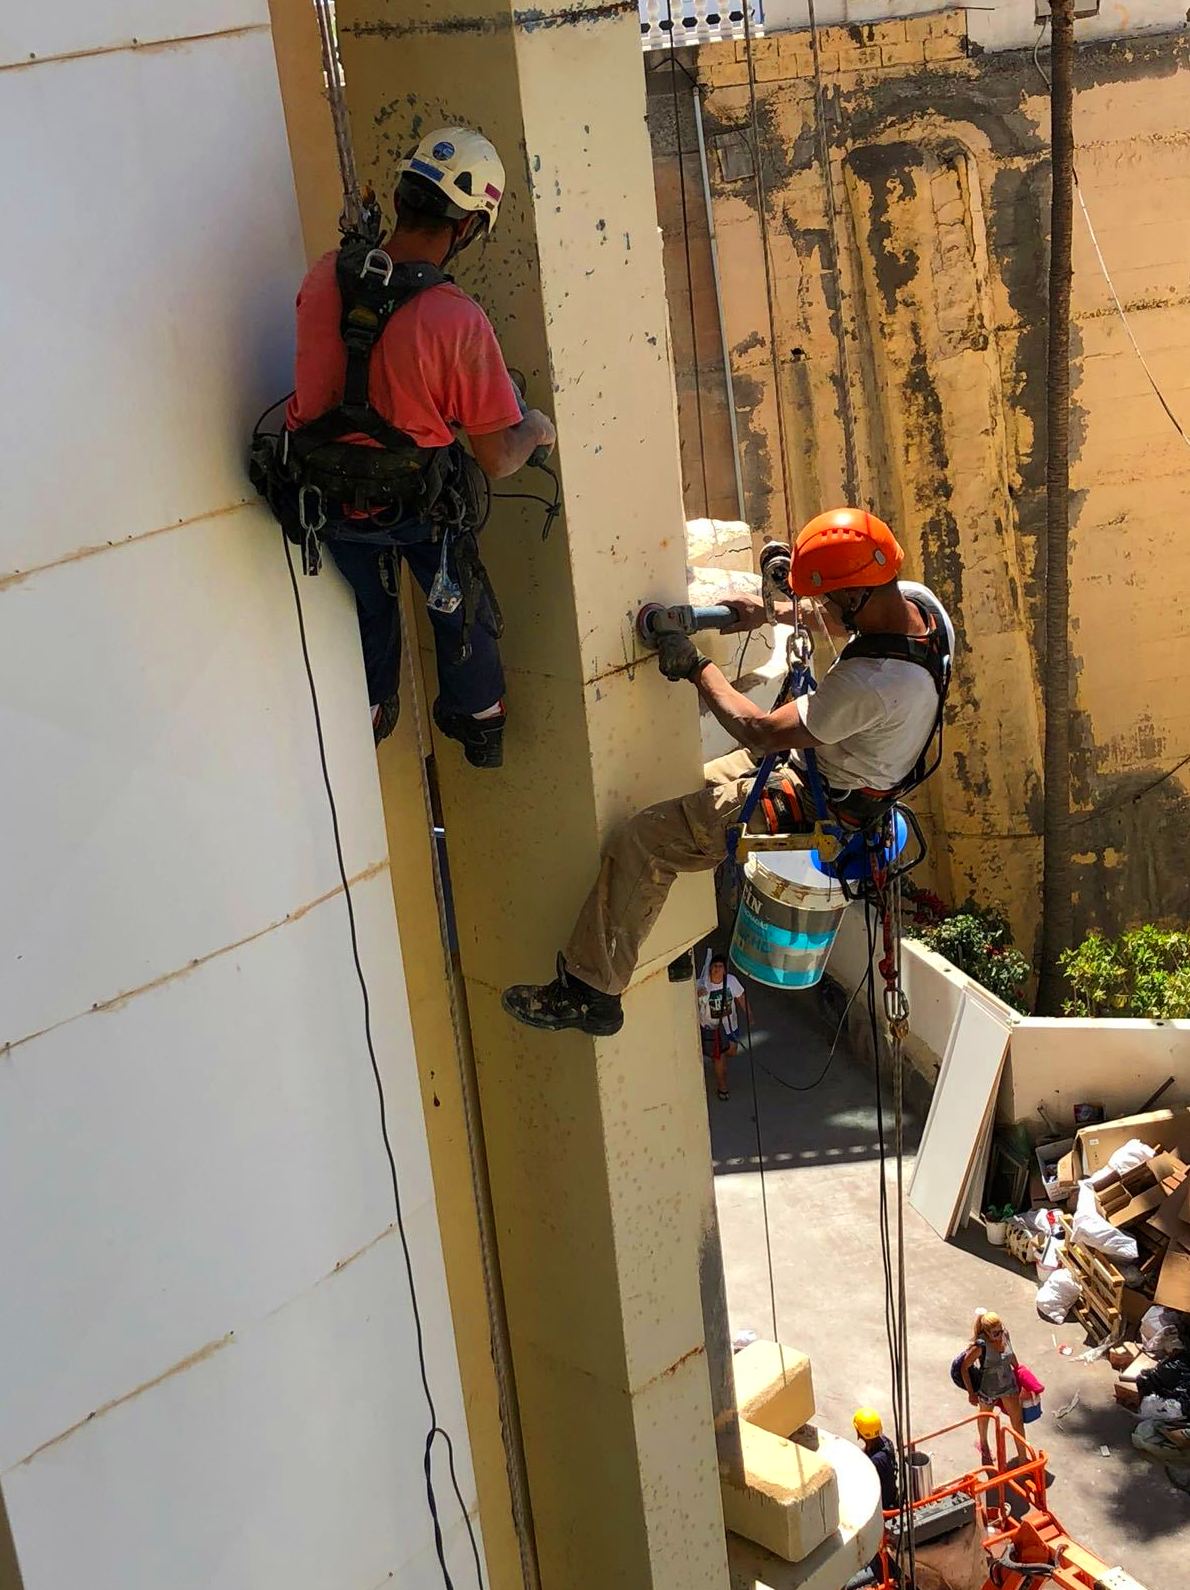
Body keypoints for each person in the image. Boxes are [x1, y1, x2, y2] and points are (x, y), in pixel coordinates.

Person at [502, 508, 955, 1036]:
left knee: (646, 840)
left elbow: (759, 730)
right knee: (684, 798)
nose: (824, 606)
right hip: (823, 766)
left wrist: (695, 666)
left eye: (827, 596)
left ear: (855, 596)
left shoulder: (875, 684)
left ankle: (591, 992)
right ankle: (655, 937)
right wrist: (773, 613)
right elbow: (838, 622)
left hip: (812, 795)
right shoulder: (922, 607)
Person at [284, 127, 555, 762]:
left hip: (326, 502)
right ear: (467, 228)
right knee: (459, 605)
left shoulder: (325, 276)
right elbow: (497, 457)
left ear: (402, 198)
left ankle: (375, 707)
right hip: (415, 515)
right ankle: (477, 719)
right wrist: (535, 425)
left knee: (369, 609)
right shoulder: (457, 320)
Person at [958, 1309, 1025, 1468]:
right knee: (984, 1417)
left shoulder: (1005, 1334)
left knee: (1018, 1421)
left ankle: (1022, 1457)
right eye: (995, 1333)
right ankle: (983, 1443)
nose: (999, 1335)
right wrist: (971, 1393)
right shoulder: (980, 1346)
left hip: (1008, 1384)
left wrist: (1021, 1372)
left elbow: (1012, 1355)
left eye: (1000, 1330)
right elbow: (964, 1367)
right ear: (986, 1333)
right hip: (988, 1388)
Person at [698, 950, 747, 1099]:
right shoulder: (702, 985)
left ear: (725, 970)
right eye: (714, 966)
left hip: (730, 1027)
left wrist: (749, 1014)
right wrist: (698, 995)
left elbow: (740, 997)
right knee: (720, 1058)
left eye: (720, 966)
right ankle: (722, 1086)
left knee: (731, 1051)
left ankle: (718, 1059)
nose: (717, 969)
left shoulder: (731, 981)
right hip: (712, 1030)